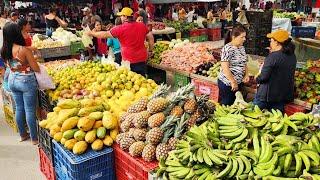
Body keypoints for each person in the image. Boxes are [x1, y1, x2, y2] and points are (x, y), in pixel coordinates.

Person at [1, 23, 40, 145]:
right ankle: (34, 138)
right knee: (29, 109)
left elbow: (12, 65)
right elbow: (36, 68)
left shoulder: (4, 49)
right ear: (16, 33)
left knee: (19, 108)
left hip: (12, 79)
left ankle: (23, 135)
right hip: (25, 81)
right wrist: (35, 59)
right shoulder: (23, 50)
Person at [88, 7, 154, 76]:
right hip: (142, 59)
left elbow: (105, 34)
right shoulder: (142, 25)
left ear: (125, 17)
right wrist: (150, 50)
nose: (120, 18)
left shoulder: (120, 28)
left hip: (129, 61)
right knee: (142, 81)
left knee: (132, 82)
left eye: (121, 16)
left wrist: (92, 33)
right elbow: (150, 37)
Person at [253, 29, 297, 112]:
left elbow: (263, 77)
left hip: (266, 96)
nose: (270, 43)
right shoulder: (292, 56)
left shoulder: (273, 56)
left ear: (277, 42)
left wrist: (256, 78)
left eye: (271, 40)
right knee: (275, 120)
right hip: (282, 97)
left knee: (253, 117)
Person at [218, 25, 249, 105]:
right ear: (234, 37)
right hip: (228, 83)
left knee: (235, 105)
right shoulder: (228, 48)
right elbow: (225, 67)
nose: (244, 39)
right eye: (242, 37)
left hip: (238, 82)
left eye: (245, 37)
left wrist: (246, 75)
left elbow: (244, 63)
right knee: (227, 104)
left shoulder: (241, 47)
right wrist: (232, 81)